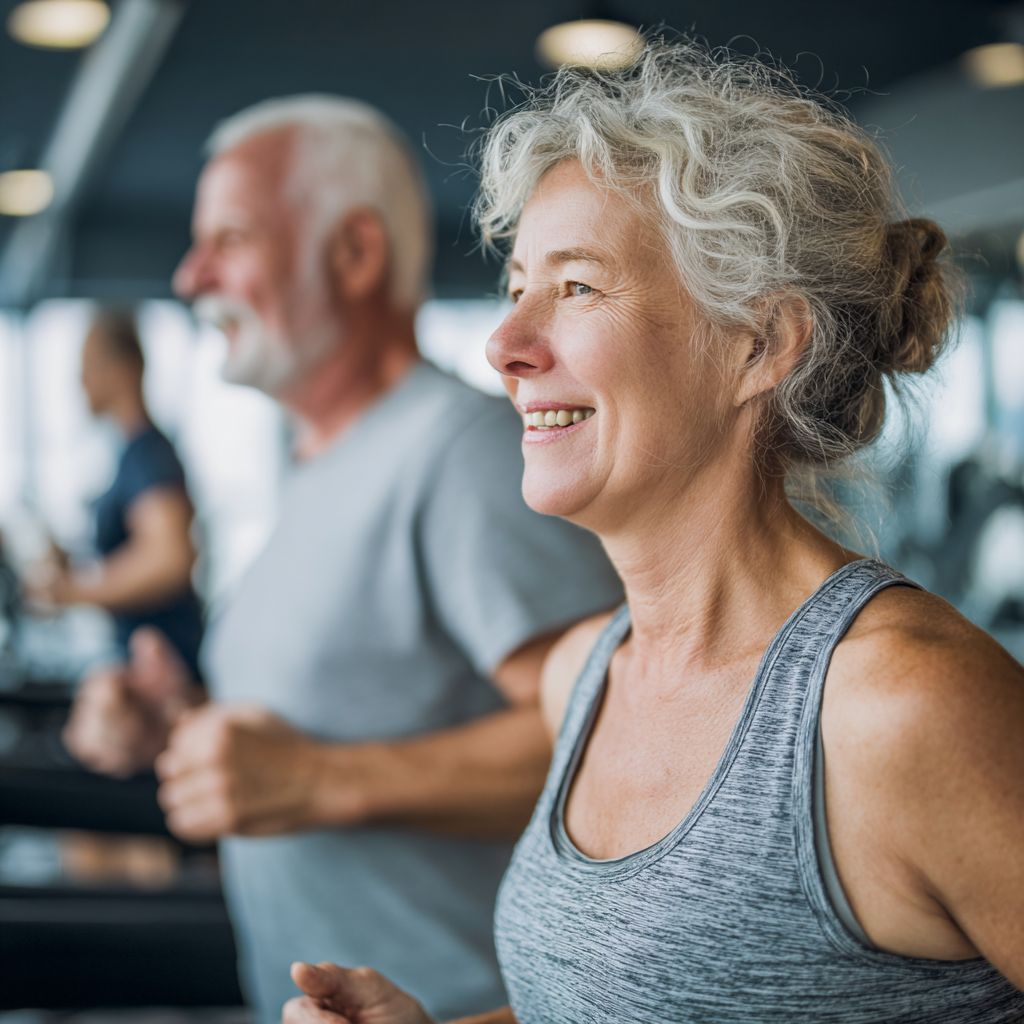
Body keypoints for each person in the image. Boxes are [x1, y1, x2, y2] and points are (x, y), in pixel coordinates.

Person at [282, 41, 1024, 1024]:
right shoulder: (583, 677)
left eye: (577, 286)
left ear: (758, 344)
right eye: (515, 289)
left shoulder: (899, 703)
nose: (503, 346)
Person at [62, 96, 624, 1022]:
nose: (191, 273)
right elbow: (331, 723)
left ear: (355, 255)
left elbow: (607, 741)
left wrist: (320, 780)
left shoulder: (460, 453)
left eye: (230, 238)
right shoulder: (315, 461)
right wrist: (182, 728)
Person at [30, 309, 203, 677]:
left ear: (123, 369)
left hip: (168, 668)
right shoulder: (131, 455)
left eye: (88, 364)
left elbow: (168, 558)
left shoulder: (148, 455)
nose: (80, 379)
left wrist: (72, 592)